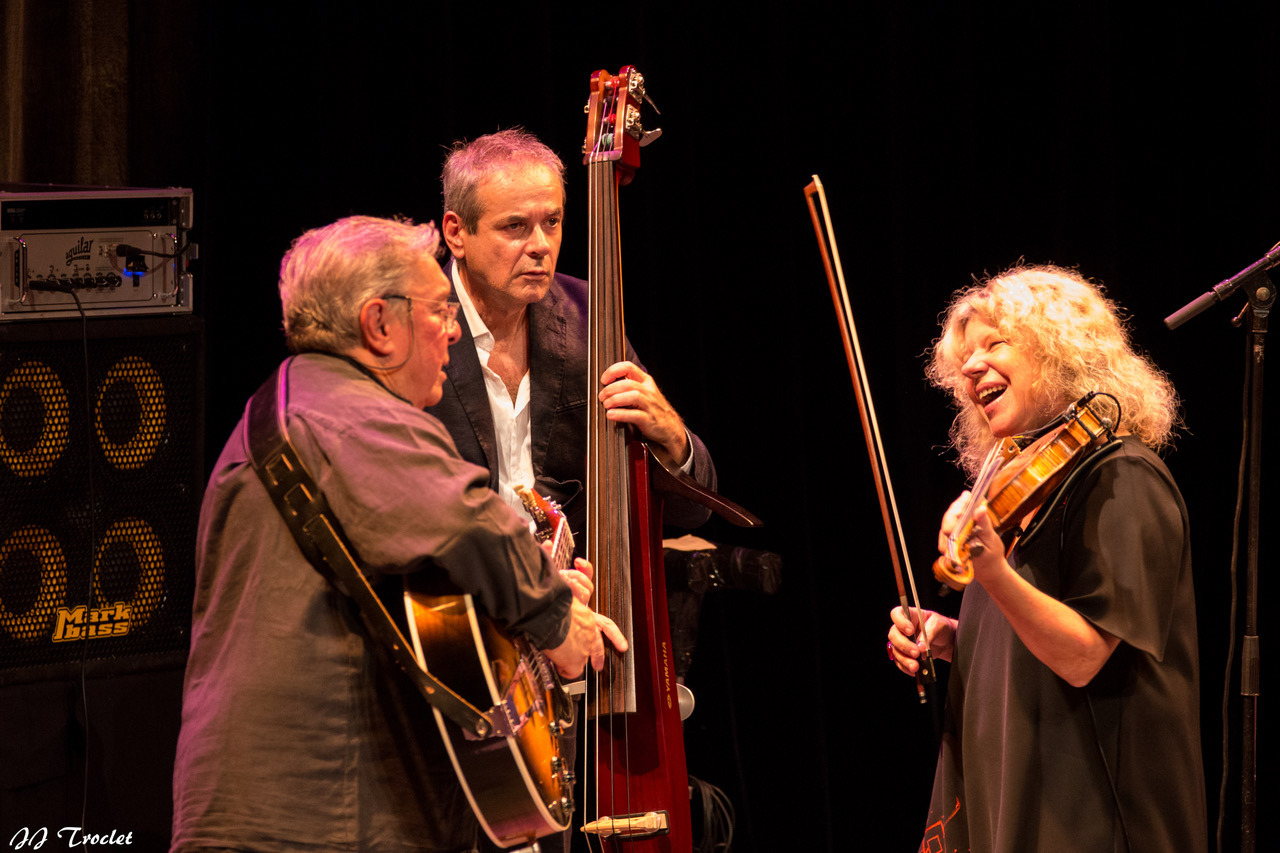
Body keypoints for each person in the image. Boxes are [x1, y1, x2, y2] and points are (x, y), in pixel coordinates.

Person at [171, 216, 624, 852]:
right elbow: (469, 522)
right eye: (440, 310)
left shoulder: (294, 407)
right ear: (379, 324)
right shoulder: (352, 417)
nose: (453, 330)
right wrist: (557, 621)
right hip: (317, 810)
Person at [886, 264, 1206, 853]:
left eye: (995, 344)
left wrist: (994, 573)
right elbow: (1033, 641)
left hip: (1094, 814)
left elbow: (1085, 656)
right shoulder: (1018, 494)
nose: (971, 366)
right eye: (966, 356)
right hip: (1016, 792)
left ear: (1059, 351)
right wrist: (955, 638)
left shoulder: (1122, 477)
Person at [428, 128, 716, 539]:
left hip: (571, 593)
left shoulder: (587, 315)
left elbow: (694, 511)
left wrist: (671, 432)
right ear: (457, 233)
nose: (540, 245)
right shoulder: (416, 331)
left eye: (552, 222)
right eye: (514, 226)